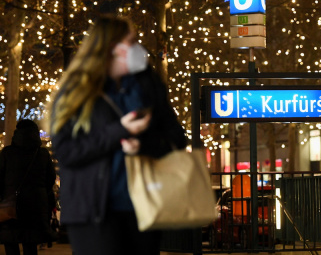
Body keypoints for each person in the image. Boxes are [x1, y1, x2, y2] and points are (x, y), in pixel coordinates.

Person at [49, 15, 187, 255]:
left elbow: (176, 137)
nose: (136, 47)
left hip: (143, 206)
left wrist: (142, 146)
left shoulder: (147, 84)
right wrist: (119, 131)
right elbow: (67, 151)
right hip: (93, 212)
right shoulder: (78, 90)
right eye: (130, 41)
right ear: (111, 47)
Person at [0, 119, 56, 255]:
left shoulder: (7, 153)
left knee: (11, 242)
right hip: (36, 206)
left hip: (11, 205)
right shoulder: (42, 154)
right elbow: (50, 179)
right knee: (30, 244)